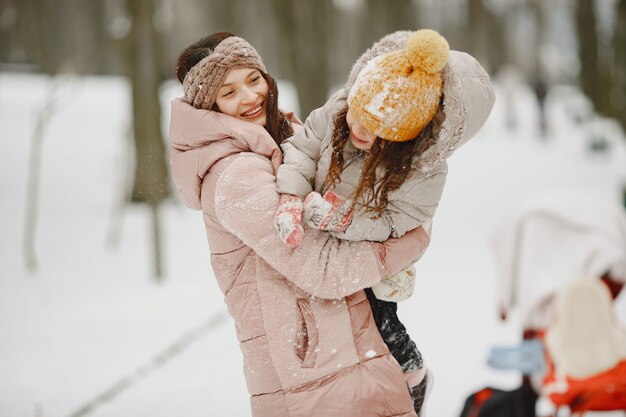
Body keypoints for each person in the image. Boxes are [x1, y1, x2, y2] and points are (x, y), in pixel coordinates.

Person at [168, 32, 432, 417]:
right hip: (312, 371)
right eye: (228, 92)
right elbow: (321, 266)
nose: (249, 97)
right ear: (209, 105)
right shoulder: (235, 173)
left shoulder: (287, 139)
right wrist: (410, 242)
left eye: (253, 80)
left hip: (337, 355)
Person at [273, 29, 496, 415]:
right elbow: (305, 145)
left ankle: (412, 374)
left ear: (403, 137)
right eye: (359, 115)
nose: (359, 129)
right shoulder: (341, 109)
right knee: (338, 325)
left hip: (378, 257)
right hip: (325, 238)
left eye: (377, 129)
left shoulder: (424, 168)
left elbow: (401, 222)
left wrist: (344, 221)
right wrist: (291, 196)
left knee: (378, 322)